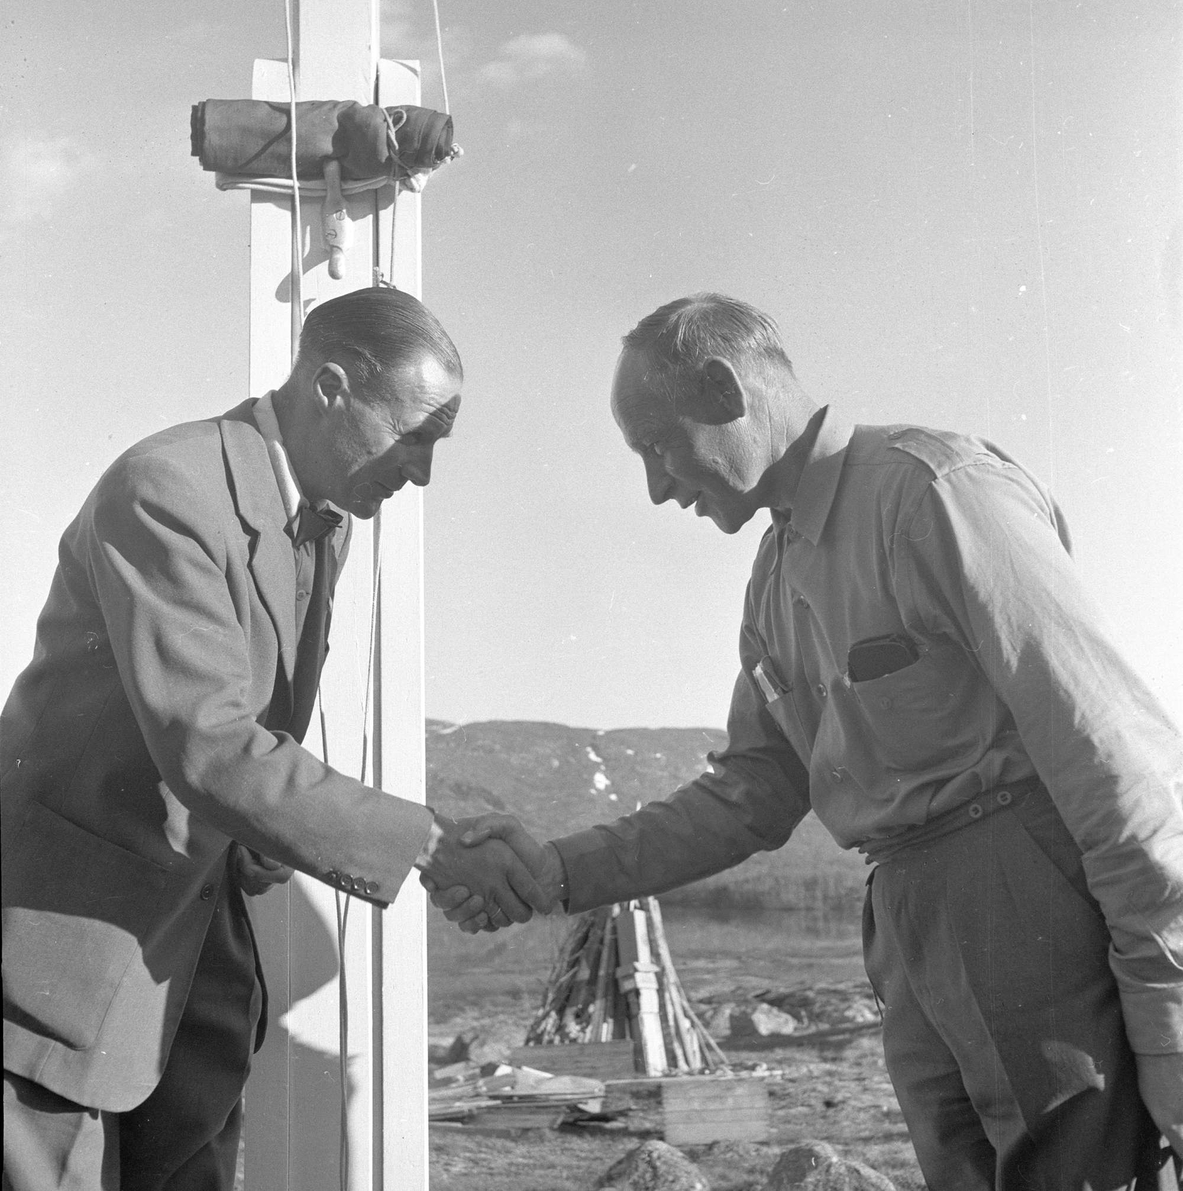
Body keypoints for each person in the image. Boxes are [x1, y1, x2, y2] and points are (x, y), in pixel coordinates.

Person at [429, 294, 1183, 1189]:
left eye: (658, 446)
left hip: (1015, 898)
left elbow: (1106, 743)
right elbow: (747, 795)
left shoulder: (934, 493)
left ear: (721, 389)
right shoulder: (772, 581)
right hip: (904, 920)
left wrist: (1167, 994)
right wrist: (552, 872)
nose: (657, 487)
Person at [1, 286, 548, 1191]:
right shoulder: (167, 487)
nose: (421, 473)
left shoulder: (318, 521)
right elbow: (211, 744)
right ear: (330, 385)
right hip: (74, 942)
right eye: (413, 435)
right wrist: (434, 845)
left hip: (196, 944)